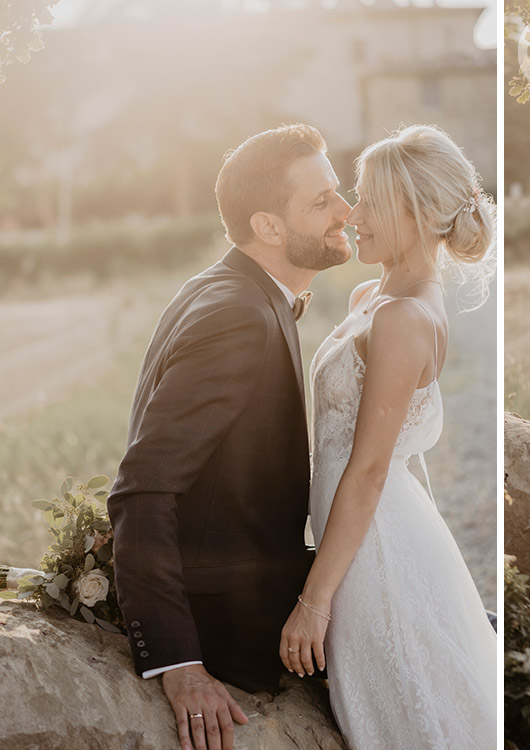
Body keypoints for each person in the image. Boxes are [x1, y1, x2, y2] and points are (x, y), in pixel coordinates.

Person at [108, 123, 352, 750]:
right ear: (269, 227)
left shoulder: (234, 289)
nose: (346, 210)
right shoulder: (237, 316)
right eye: (321, 200)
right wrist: (178, 663)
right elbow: (143, 490)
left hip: (258, 575)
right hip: (235, 620)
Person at [277, 125, 497, 749]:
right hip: (367, 530)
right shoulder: (374, 294)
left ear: (420, 213)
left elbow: (372, 468)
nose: (354, 214)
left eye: (371, 201)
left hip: (377, 552)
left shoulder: (405, 316)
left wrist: (315, 601)